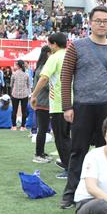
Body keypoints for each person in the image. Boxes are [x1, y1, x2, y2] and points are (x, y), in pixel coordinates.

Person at [59, 6, 107, 209]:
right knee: (78, 150)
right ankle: (70, 194)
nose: (102, 24)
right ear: (90, 23)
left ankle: (104, 193)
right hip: (82, 106)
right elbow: (65, 76)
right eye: (98, 20)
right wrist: (67, 106)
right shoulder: (76, 46)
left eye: (106, 21)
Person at [31, 32, 70, 179]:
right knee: (68, 136)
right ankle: (72, 164)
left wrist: (34, 95)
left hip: (58, 103)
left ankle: (69, 167)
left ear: (54, 44)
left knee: (61, 138)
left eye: (49, 44)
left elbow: (44, 78)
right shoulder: (71, 55)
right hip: (73, 102)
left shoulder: (54, 57)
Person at [31, 46, 52, 163]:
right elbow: (46, 84)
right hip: (43, 102)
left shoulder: (41, 67)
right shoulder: (43, 68)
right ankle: (38, 154)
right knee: (42, 129)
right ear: (48, 54)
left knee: (43, 129)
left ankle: (41, 152)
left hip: (42, 101)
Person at [11, 60, 32, 131]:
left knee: (14, 110)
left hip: (15, 94)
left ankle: (14, 126)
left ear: (17, 66)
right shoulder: (26, 74)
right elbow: (29, 85)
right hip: (24, 94)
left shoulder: (14, 74)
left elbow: (11, 84)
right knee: (24, 111)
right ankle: (23, 126)